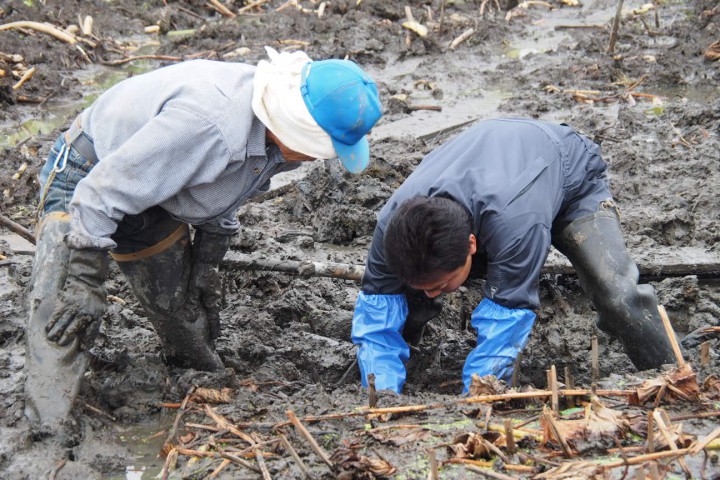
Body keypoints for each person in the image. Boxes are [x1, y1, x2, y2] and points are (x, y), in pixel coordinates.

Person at [25, 47, 383, 436]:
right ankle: (46, 433)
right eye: (325, 147)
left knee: (181, 312)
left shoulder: (279, 138)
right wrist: (84, 281)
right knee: (63, 318)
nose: (319, 158)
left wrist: (207, 261)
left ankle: (193, 387)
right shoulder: (208, 125)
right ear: (298, 124)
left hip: (156, 194)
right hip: (87, 178)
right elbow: (98, 195)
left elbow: (225, 188)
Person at [351, 118, 677, 393]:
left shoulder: (516, 227)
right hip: (495, 175)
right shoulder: (391, 226)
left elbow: (505, 322)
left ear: (472, 245)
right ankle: (404, 373)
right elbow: (377, 316)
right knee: (404, 298)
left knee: (617, 296)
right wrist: (379, 395)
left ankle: (675, 375)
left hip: (569, 177)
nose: (431, 292)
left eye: (441, 284)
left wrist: (478, 394)